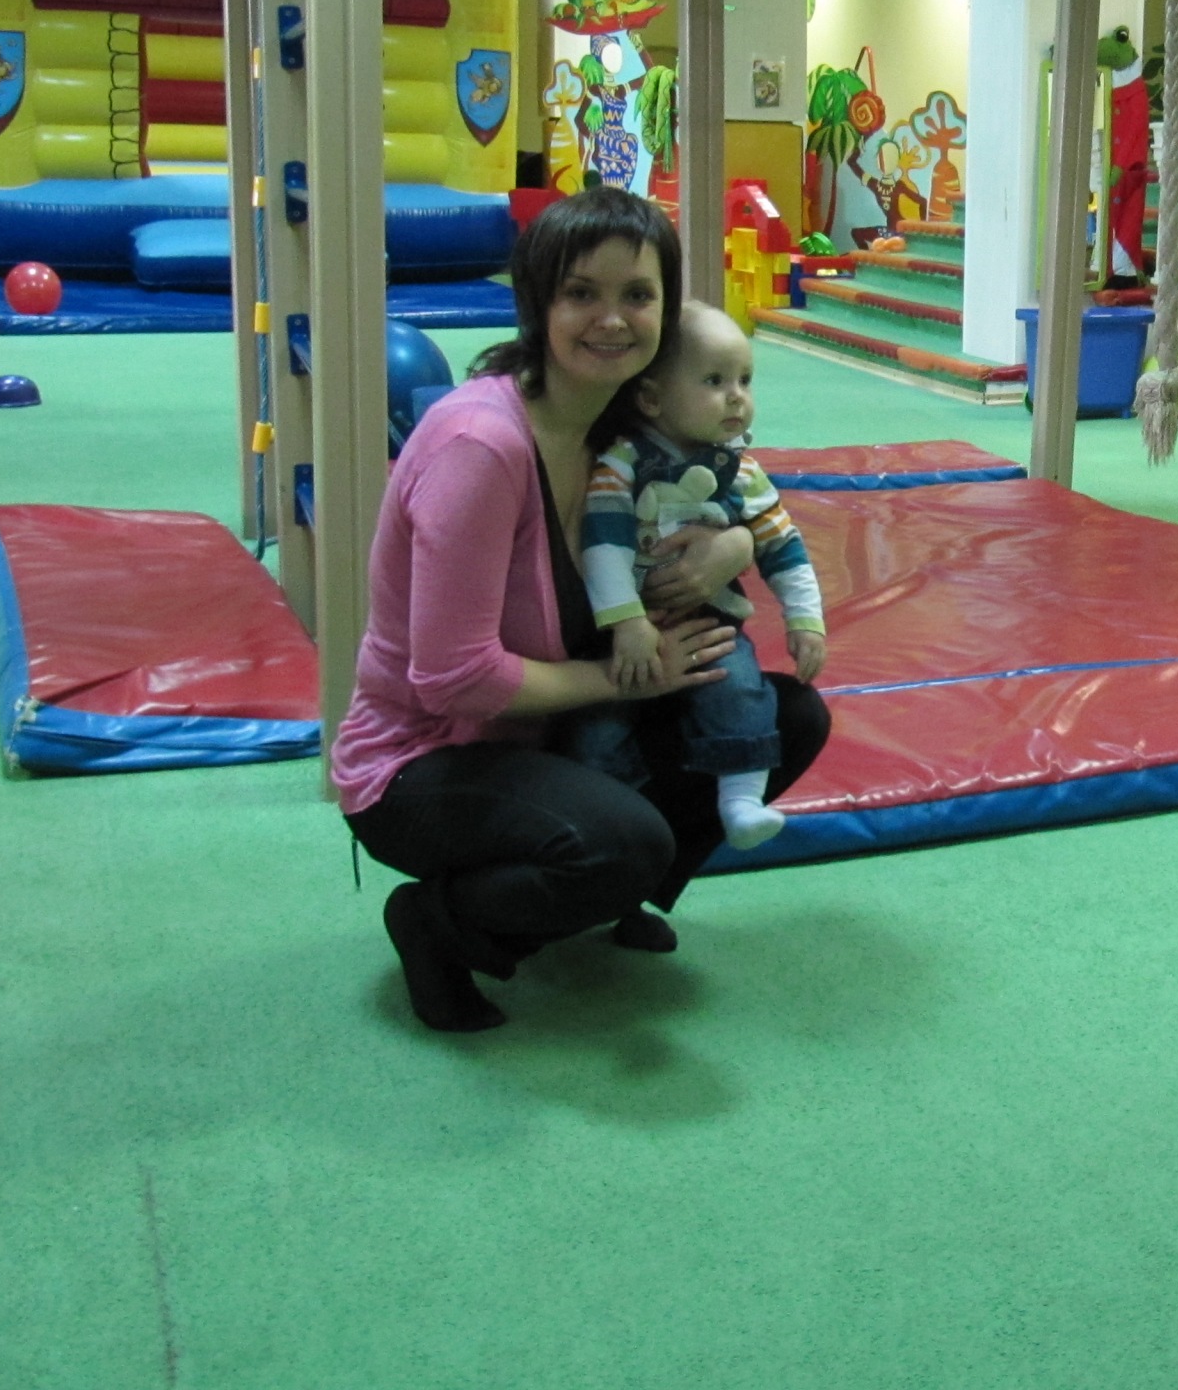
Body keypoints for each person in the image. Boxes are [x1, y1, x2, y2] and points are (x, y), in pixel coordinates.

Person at [333, 189, 830, 1032]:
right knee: (623, 839)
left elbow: (742, 494)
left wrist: (735, 547)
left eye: (637, 295)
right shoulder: (481, 447)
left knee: (786, 718)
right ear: (537, 303)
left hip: (556, 728)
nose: (612, 319)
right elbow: (452, 679)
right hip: (427, 757)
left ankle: (605, 895)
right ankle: (444, 924)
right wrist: (629, 681)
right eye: (580, 293)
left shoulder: (620, 424)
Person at [575, 300, 826, 851]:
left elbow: (784, 546)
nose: (736, 396)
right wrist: (627, 622)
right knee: (601, 727)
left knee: (740, 689)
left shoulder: (742, 472)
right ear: (652, 399)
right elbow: (604, 540)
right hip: (625, 631)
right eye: (714, 381)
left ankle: (741, 799)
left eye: (745, 380)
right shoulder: (624, 460)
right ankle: (614, 819)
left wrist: (805, 619)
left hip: (707, 623)